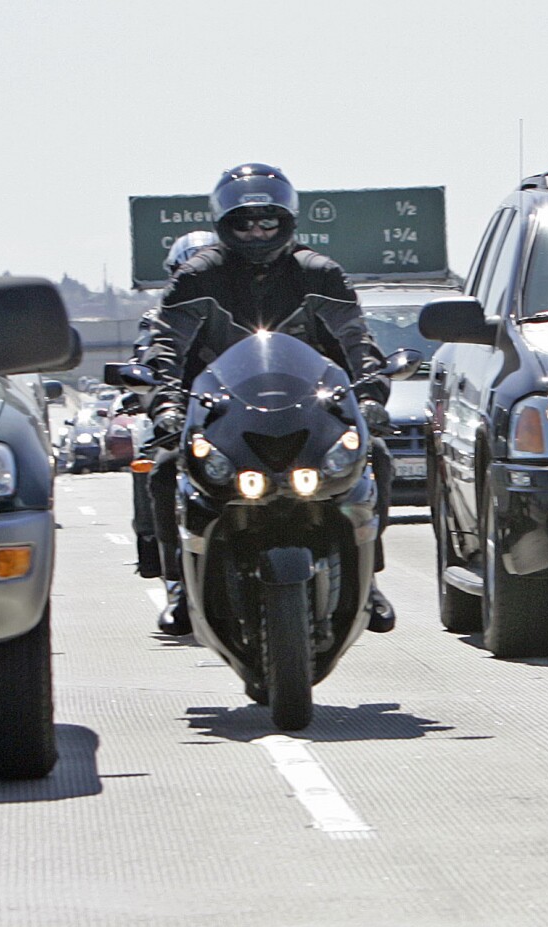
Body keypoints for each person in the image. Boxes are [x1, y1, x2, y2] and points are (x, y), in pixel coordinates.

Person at [143, 163, 397, 637]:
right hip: (220, 414)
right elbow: (165, 347)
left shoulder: (320, 274)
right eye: (244, 222)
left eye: (267, 221)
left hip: (310, 410)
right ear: (225, 224)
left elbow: (357, 342)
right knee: (162, 469)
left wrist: (371, 394)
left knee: (375, 457)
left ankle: (370, 577)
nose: (256, 232)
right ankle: (178, 581)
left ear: (288, 221)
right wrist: (166, 405)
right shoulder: (197, 277)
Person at [127, 231, 220, 583]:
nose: (196, 275)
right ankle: (173, 575)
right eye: (187, 269)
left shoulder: (242, 311)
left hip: (236, 416)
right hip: (184, 415)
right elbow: (148, 361)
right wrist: (156, 401)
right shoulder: (159, 318)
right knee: (161, 468)